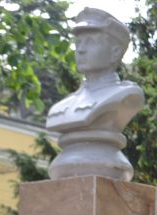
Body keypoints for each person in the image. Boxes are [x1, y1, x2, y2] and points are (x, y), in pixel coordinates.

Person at [45, 8, 145, 181]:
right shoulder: (62, 107)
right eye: (78, 43)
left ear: (115, 52)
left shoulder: (126, 95)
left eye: (90, 42)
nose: (80, 50)